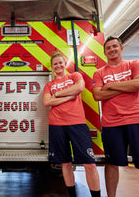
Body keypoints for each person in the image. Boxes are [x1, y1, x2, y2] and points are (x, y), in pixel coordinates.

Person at [92, 36, 139, 197]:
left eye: (115, 46)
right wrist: (128, 86)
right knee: (112, 163)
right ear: (104, 52)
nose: (112, 49)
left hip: (138, 119)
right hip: (111, 123)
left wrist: (110, 85)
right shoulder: (99, 73)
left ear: (121, 48)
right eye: (108, 48)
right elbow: (97, 95)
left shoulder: (134, 64)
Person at [43, 51, 101, 197]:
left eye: (60, 63)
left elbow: (80, 88)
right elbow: (47, 102)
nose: (58, 66)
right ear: (52, 66)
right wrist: (68, 96)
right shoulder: (49, 85)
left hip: (77, 123)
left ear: (65, 64)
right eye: (55, 64)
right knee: (65, 164)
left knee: (90, 163)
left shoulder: (75, 76)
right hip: (56, 125)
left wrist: (56, 96)